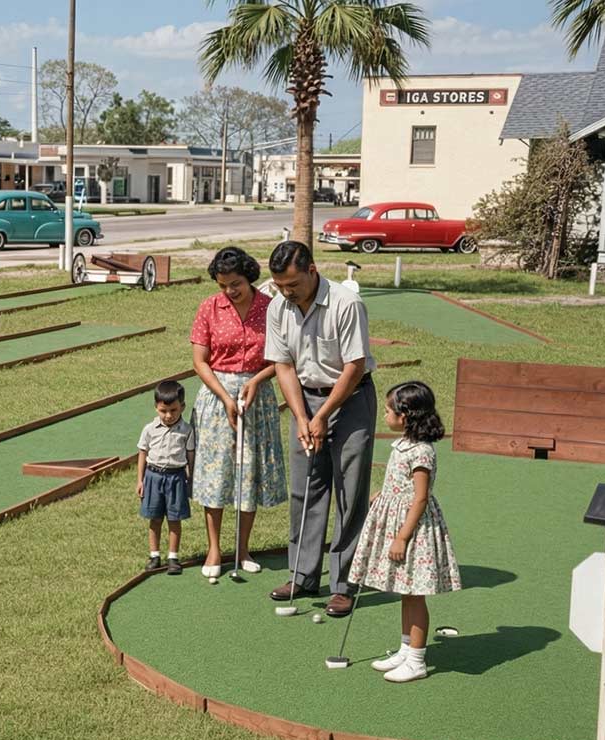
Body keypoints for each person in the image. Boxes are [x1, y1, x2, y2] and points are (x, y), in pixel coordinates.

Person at [263, 240, 377, 617]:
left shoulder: (346, 303)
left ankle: (342, 584)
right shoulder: (278, 306)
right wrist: (301, 417)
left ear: (312, 270)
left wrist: (323, 414)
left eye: (292, 284)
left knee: (349, 491)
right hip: (305, 399)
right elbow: (283, 365)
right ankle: (302, 574)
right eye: (279, 285)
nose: (285, 292)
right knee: (305, 488)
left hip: (351, 399)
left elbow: (354, 367)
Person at [347, 381, 461, 683]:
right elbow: (400, 485)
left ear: (406, 415)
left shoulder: (421, 452)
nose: (385, 415)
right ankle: (405, 649)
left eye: (389, 411)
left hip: (413, 530)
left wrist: (402, 537)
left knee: (415, 595)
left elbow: (420, 497)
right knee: (405, 593)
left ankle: (417, 660)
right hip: (398, 519)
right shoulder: (403, 445)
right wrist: (381, 495)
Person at [190, 247, 287, 578]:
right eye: (222, 285)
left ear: (249, 278)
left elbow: (281, 358)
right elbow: (200, 362)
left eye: (235, 284)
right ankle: (215, 550)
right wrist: (225, 397)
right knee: (216, 474)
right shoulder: (209, 308)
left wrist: (258, 380)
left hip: (256, 396)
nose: (229, 291)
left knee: (249, 474)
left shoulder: (271, 308)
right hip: (218, 397)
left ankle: (243, 549)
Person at [136, 380, 197, 575]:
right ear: (156, 407)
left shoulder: (187, 431)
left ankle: (173, 557)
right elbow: (143, 453)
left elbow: (190, 456)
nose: (168, 415)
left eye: (173, 410)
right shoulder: (149, 429)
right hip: (153, 476)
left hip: (176, 477)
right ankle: (154, 555)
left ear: (182, 407)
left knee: (174, 519)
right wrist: (140, 480)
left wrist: (191, 478)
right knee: (154, 518)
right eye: (163, 411)